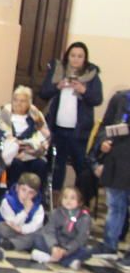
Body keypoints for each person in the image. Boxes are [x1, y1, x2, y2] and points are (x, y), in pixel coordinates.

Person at [39, 42, 103, 207]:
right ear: (67, 56)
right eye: (73, 55)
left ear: (85, 59)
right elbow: (43, 92)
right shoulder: (57, 70)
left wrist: (84, 90)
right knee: (57, 166)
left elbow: (97, 99)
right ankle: (56, 202)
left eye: (80, 56)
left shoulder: (92, 74)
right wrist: (57, 86)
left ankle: (81, 203)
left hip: (79, 131)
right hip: (58, 129)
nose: (75, 59)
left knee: (82, 166)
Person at [88, 89, 130, 263]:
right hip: (116, 161)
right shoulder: (121, 98)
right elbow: (105, 125)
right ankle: (109, 245)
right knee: (115, 206)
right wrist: (102, 143)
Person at [0, 86, 51, 195]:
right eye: (15, 100)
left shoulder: (36, 116)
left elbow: (45, 136)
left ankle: (36, 196)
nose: (18, 103)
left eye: (23, 101)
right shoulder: (1, 112)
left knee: (41, 164)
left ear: (29, 102)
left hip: (31, 153)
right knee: (16, 164)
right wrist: (7, 137)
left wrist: (30, 147)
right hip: (8, 152)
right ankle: (13, 195)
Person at [30, 186, 92, 269]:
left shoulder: (84, 217)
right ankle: (68, 261)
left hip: (71, 248)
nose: (68, 201)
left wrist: (66, 250)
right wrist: (54, 247)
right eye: (65, 197)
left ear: (79, 201)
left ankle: (50, 258)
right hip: (56, 244)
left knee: (87, 251)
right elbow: (49, 231)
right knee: (38, 238)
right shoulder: (56, 212)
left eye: (72, 198)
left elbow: (81, 239)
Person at [0, 172, 45, 251]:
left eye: (30, 192)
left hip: (25, 231)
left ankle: (11, 244)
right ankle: (22, 243)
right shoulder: (7, 201)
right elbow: (12, 222)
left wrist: (22, 229)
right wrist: (25, 211)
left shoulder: (39, 207)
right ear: (17, 188)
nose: (26, 195)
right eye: (23, 190)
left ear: (35, 194)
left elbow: (35, 225)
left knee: (38, 235)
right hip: (9, 230)